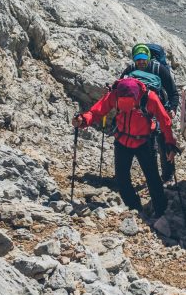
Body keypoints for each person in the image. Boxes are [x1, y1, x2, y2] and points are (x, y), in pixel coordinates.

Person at [73, 77, 178, 217]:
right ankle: (135, 208)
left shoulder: (150, 98)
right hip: (123, 141)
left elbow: (165, 121)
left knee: (152, 177)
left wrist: (170, 144)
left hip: (143, 142)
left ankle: (161, 209)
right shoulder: (114, 95)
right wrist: (84, 119)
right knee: (122, 179)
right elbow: (97, 112)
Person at [121, 44, 179, 113]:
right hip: (135, 110)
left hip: (156, 111)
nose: (141, 62)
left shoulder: (159, 69)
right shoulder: (130, 69)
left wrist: (172, 109)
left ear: (148, 57)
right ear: (134, 59)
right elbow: (120, 87)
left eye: (144, 58)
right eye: (138, 59)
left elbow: (173, 92)